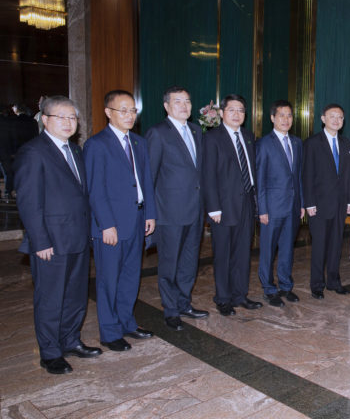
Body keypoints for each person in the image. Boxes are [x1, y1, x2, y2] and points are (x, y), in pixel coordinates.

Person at [15, 95, 101, 374]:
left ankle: (71, 340)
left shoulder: (75, 151)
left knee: (76, 296)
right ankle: (50, 352)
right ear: (45, 120)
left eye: (72, 118)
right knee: (51, 298)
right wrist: (39, 240)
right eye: (60, 117)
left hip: (77, 237)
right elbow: (29, 202)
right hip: (51, 242)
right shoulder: (34, 152)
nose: (67, 122)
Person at [84, 90, 156, 352]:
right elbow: (96, 190)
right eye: (122, 110)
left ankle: (127, 322)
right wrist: (106, 225)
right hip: (112, 225)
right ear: (108, 113)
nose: (129, 115)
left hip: (137, 220)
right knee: (108, 280)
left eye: (132, 111)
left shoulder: (138, 142)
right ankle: (110, 331)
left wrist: (150, 214)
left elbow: (146, 181)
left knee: (130, 276)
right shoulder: (96, 145)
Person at [145, 86, 209, 331]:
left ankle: (184, 303)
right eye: (178, 101)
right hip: (169, 213)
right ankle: (170, 310)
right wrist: (150, 213)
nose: (184, 105)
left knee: (189, 262)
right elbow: (150, 176)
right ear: (166, 106)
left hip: (194, 211)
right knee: (169, 264)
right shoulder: (157, 133)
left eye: (187, 101)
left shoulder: (195, 130)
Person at [203, 94, 262, 316]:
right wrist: (213, 207)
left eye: (241, 111)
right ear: (221, 113)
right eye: (232, 110)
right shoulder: (212, 138)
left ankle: (240, 295)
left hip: (246, 204)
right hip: (223, 207)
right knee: (223, 254)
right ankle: (223, 298)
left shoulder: (248, 136)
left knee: (242, 253)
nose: (237, 114)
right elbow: (208, 175)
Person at [302, 103, 350, 299]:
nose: (336, 120)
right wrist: (309, 203)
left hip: (340, 204)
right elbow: (307, 175)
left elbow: (349, 175)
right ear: (323, 119)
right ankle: (317, 284)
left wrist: (349, 200)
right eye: (332, 116)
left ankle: (333, 281)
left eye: (340, 117)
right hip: (319, 205)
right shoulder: (312, 143)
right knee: (319, 246)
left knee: (335, 245)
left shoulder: (347, 144)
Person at [256, 100, 304, 307]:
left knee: (287, 249)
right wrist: (262, 209)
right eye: (281, 115)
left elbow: (298, 176)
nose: (286, 119)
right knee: (267, 250)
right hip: (272, 208)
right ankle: (268, 288)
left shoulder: (296, 142)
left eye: (289, 115)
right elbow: (259, 179)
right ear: (272, 118)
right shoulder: (264, 143)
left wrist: (301, 203)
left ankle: (286, 286)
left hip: (292, 207)